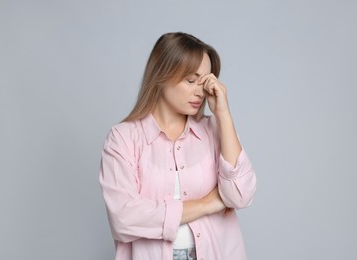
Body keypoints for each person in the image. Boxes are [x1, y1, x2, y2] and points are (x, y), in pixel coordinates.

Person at [99, 32, 257, 260]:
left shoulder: (216, 129)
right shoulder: (122, 138)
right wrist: (208, 203)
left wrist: (223, 114)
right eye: (191, 81)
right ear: (161, 76)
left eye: (203, 83)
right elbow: (124, 218)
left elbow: (240, 195)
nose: (200, 92)